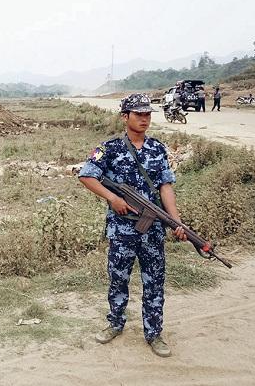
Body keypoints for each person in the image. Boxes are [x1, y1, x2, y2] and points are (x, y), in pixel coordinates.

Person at [77, 93, 188, 358]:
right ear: (125, 116)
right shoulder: (110, 148)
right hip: (122, 230)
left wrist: (176, 221)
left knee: (154, 282)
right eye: (138, 114)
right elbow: (87, 175)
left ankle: (154, 333)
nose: (144, 119)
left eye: (147, 114)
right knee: (118, 280)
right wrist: (112, 198)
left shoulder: (158, 149)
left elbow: (166, 187)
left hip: (152, 231)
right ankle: (115, 323)